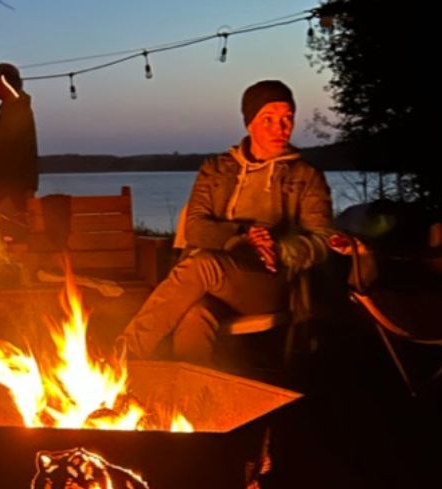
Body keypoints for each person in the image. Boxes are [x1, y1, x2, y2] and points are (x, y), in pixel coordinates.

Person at [118, 79, 334, 364]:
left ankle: (121, 359)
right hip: (216, 281)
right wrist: (242, 235)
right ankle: (192, 398)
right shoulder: (216, 170)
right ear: (250, 124)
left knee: (203, 264)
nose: (280, 129)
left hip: (269, 282)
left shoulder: (306, 175)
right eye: (268, 119)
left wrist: (277, 246)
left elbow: (322, 241)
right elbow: (195, 228)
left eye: (287, 119)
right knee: (195, 316)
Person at [0, 62, 39, 236]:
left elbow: (23, 151)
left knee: (13, 234)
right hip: (7, 186)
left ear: (4, 82)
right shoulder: (11, 108)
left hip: (15, 189)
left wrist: (22, 189)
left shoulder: (17, 109)